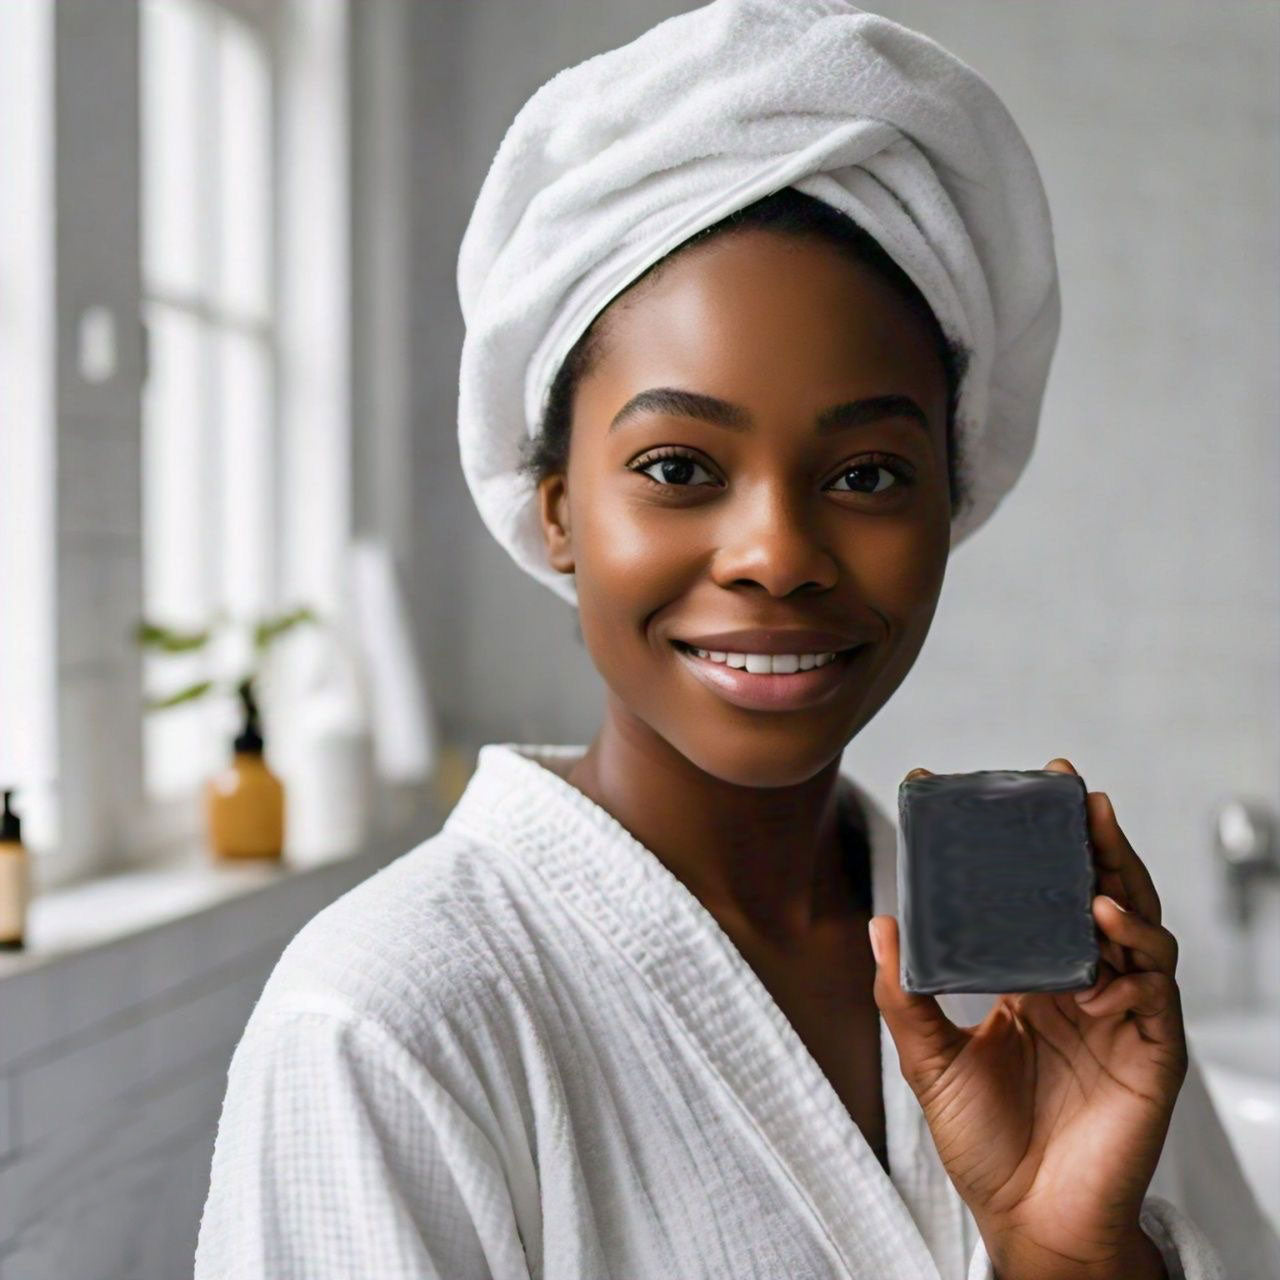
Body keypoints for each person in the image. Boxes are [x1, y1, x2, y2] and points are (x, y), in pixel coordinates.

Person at [194, 4, 1280, 1278]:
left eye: (869, 473)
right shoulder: (386, 1022)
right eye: (676, 464)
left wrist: (1068, 1250)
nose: (775, 550)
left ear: (952, 495)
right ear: (556, 507)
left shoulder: (1043, 975)